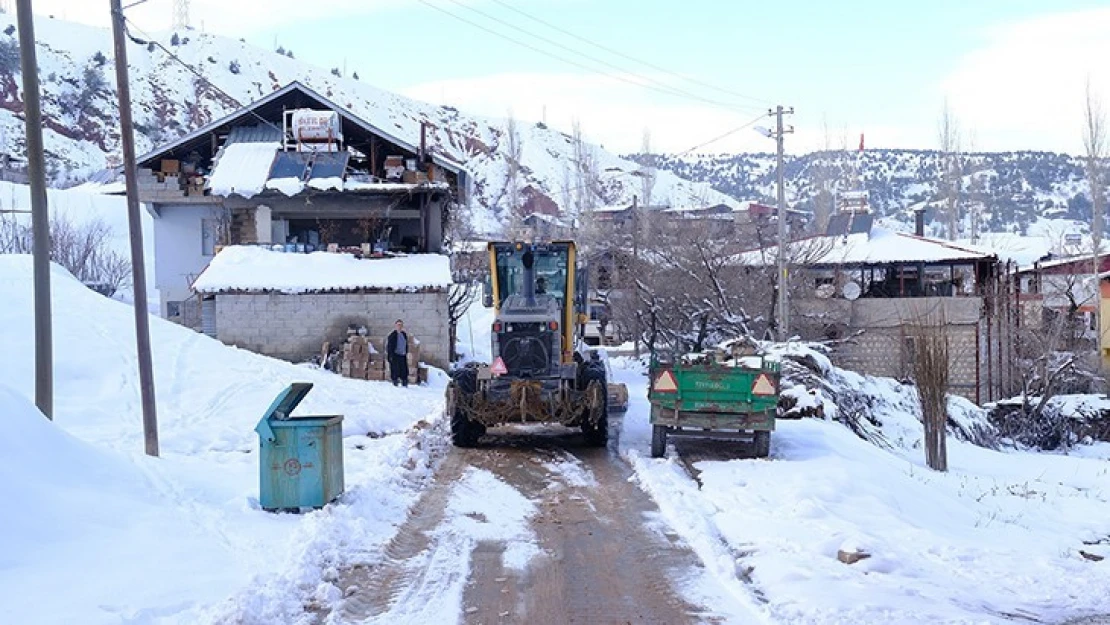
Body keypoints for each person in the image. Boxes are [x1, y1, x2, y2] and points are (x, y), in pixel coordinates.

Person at [386, 319, 410, 387]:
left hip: (402, 355)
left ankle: (404, 381)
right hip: (395, 355)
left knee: (404, 369)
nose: (400, 326)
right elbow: (389, 346)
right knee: (395, 369)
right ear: (395, 326)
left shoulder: (404, 334)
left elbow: (406, 344)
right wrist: (390, 356)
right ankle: (395, 381)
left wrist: (406, 351)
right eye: (398, 325)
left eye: (401, 325)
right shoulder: (392, 335)